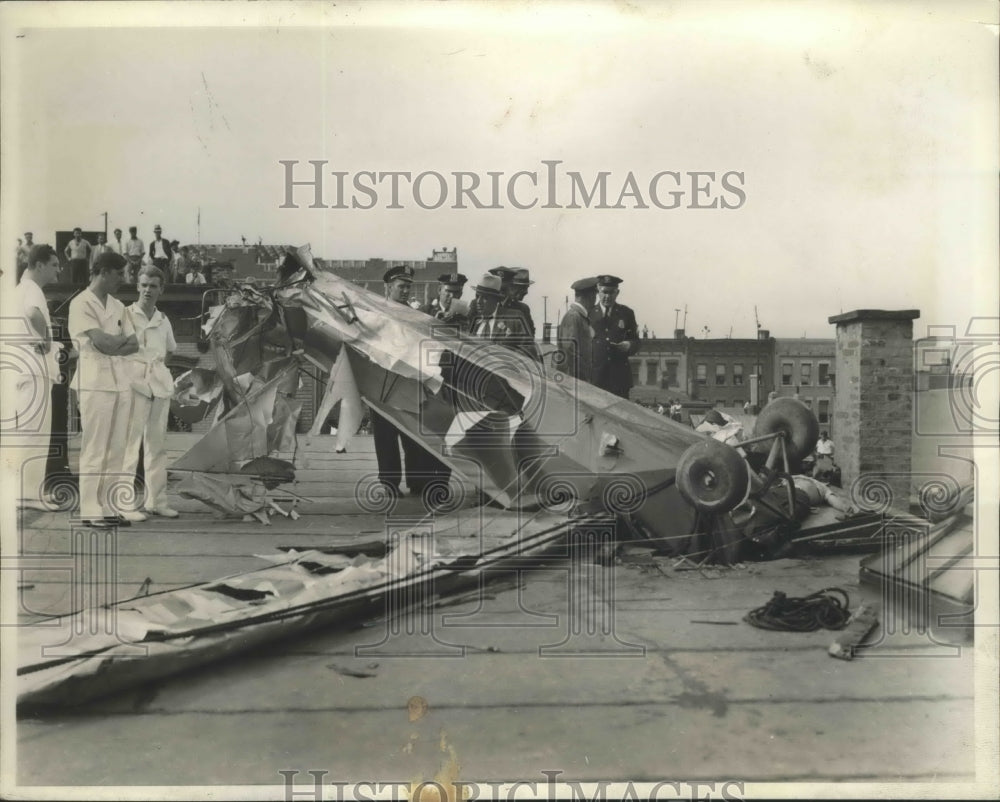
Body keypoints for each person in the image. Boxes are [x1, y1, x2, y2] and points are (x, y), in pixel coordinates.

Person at [68, 251, 142, 527]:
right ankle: (90, 509)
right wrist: (114, 344)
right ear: (104, 272)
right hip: (94, 383)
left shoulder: (120, 306)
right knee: (95, 447)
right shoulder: (81, 304)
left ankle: (109, 507)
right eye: (120, 273)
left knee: (117, 449)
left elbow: (135, 344)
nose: (123, 279)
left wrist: (113, 344)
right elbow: (104, 344)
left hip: (120, 382)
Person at [371, 265, 442, 499]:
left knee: (412, 434)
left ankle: (417, 482)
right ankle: (389, 483)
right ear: (388, 288)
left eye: (408, 287)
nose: (405, 291)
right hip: (381, 382)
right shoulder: (376, 313)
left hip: (409, 383)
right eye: (401, 287)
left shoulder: (415, 315)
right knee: (385, 435)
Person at [7, 244, 63, 510]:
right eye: (53, 265)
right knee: (35, 433)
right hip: (34, 369)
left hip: (22, 370)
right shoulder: (32, 290)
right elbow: (32, 313)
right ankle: (28, 494)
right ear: (39, 265)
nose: (58, 270)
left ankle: (27, 490)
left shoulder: (17, 290)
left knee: (28, 431)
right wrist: (46, 339)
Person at [121, 266, 179, 518]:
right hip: (133, 383)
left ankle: (156, 501)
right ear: (137, 287)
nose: (147, 290)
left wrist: (158, 372)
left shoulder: (163, 319)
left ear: (161, 290)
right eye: (144, 285)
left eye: (153, 286)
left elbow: (170, 350)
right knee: (129, 445)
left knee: (157, 446)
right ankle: (124, 503)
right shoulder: (125, 315)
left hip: (159, 386)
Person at [468, 272, 541, 362]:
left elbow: (530, 351)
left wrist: (507, 358)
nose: (479, 301)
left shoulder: (514, 318)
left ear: (496, 300)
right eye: (477, 296)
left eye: (485, 298)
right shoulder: (473, 319)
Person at [590, 275, 639, 398]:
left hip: (619, 379)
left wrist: (629, 345)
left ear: (617, 293)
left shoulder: (626, 313)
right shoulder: (589, 313)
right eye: (604, 292)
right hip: (595, 378)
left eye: (611, 292)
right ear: (598, 291)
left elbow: (636, 340)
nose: (607, 296)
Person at [556, 276, 598, 382]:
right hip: (574, 382)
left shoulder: (579, 317)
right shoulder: (573, 317)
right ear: (590, 296)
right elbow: (569, 353)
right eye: (594, 295)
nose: (595, 299)